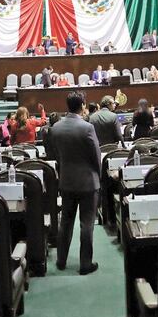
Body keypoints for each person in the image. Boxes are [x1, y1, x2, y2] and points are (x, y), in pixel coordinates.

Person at [52, 91, 102, 275]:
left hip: (66, 181)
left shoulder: (55, 128)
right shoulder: (87, 127)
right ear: (82, 105)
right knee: (86, 224)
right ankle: (85, 264)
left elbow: (55, 155)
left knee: (65, 222)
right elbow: (97, 157)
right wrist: (100, 177)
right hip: (88, 182)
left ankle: (61, 260)